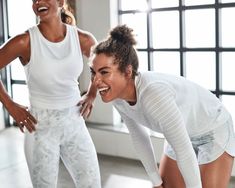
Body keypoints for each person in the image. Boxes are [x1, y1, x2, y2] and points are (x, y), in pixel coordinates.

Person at [89, 24, 235, 188]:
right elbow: (139, 136)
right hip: (183, 132)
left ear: (128, 72)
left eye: (104, 72)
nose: (96, 81)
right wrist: (155, 181)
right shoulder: (117, 96)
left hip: (213, 128)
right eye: (93, 72)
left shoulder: (153, 94)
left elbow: (184, 151)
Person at [0, 0, 101, 187]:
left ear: (61, 2)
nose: (38, 2)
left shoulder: (82, 39)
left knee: (92, 184)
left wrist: (92, 94)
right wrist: (10, 105)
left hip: (74, 123)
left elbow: (100, 65)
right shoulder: (24, 41)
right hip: (39, 128)